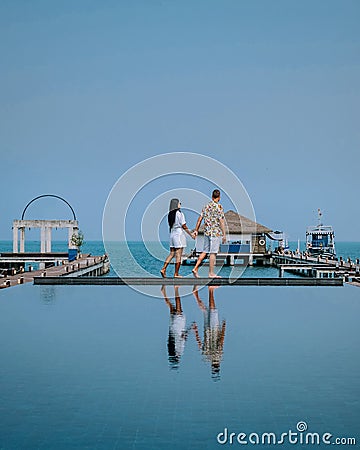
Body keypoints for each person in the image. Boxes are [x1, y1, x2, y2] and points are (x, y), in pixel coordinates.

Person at [192, 189, 227, 278]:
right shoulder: (219, 207)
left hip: (207, 232)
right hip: (215, 233)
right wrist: (224, 234)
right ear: (219, 198)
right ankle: (211, 273)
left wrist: (196, 230)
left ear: (212, 197)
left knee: (205, 251)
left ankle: (195, 268)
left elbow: (200, 219)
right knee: (213, 253)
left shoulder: (206, 206)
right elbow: (222, 221)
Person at [160, 198, 195, 278]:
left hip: (172, 234)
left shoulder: (170, 214)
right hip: (179, 235)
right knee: (179, 255)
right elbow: (184, 226)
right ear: (176, 204)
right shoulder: (179, 214)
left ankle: (163, 268)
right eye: (179, 203)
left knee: (172, 254)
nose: (180, 204)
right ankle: (176, 274)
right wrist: (191, 234)